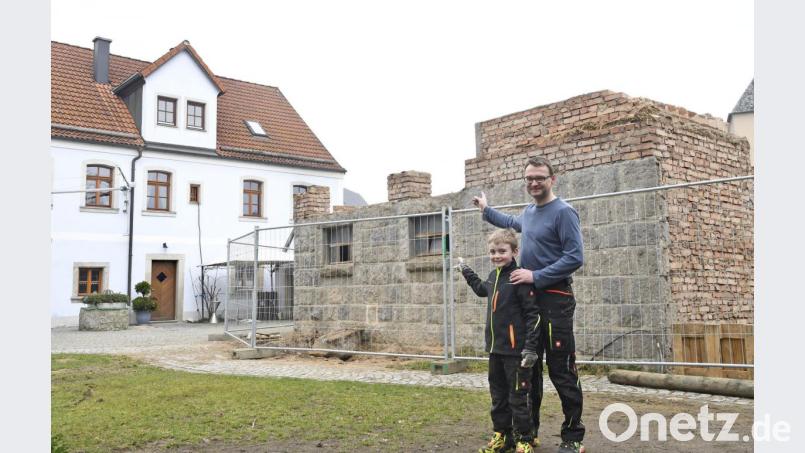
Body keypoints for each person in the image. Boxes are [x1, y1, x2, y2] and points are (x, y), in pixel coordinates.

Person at [472, 156, 585, 453]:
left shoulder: (564, 213)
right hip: (529, 304)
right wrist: (486, 211)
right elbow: (511, 223)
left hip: (556, 301)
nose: (534, 183)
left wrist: (536, 275)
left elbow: (575, 257)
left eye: (540, 178)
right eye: (529, 179)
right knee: (529, 371)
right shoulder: (531, 212)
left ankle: (573, 437)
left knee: (562, 371)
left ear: (552, 179)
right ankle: (527, 434)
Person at [457, 228, 542, 453]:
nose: (496, 255)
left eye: (502, 251)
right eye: (493, 251)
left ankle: (524, 439)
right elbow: (481, 289)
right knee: (498, 397)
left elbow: (534, 315)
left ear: (514, 251)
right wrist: (467, 271)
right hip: (495, 351)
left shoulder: (519, 278)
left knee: (518, 398)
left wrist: (531, 349)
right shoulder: (495, 276)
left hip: (517, 353)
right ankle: (502, 437)